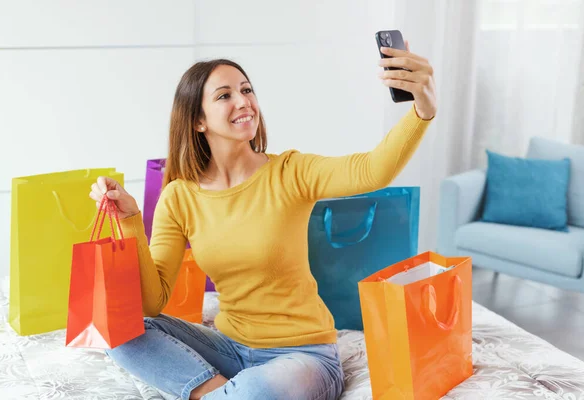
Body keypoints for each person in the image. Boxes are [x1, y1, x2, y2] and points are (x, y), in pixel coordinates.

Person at [89, 42, 436, 400]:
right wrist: (131, 221)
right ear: (198, 120)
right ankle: (216, 392)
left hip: (304, 355)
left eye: (247, 90)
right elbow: (153, 303)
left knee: (256, 389)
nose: (244, 101)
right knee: (120, 330)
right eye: (225, 95)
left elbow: (372, 170)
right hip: (230, 350)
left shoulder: (290, 171)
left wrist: (422, 109)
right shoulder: (179, 196)